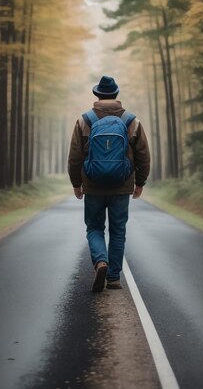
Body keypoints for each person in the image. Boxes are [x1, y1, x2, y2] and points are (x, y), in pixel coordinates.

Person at [68, 75, 150, 292]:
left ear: (97, 95)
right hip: (122, 185)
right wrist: (140, 182)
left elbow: (75, 156)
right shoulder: (131, 121)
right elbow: (143, 154)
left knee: (94, 227)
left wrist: (76, 183)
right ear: (116, 95)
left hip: (93, 185)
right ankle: (113, 277)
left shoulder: (84, 120)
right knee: (118, 230)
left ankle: (100, 261)